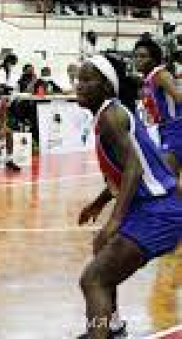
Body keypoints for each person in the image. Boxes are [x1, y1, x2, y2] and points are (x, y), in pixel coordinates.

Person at [76, 54, 182, 339]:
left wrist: (114, 220)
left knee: (93, 279)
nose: (80, 85)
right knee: (102, 255)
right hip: (156, 207)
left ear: (107, 87)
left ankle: (102, 332)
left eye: (88, 80)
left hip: (158, 211)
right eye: (79, 79)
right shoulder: (111, 114)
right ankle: (111, 326)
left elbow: (134, 169)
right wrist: (98, 204)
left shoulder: (112, 115)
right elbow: (126, 172)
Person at [134, 38, 182, 175]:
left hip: (175, 130)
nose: (138, 60)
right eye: (136, 56)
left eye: (143, 56)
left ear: (154, 59)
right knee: (169, 179)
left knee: (168, 178)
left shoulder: (160, 74)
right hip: (162, 131)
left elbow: (178, 97)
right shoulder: (148, 79)